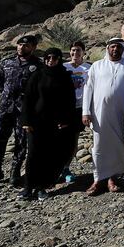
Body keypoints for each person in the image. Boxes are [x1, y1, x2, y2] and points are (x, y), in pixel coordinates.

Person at [0, 35, 41, 187]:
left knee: (21, 141)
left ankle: (15, 172)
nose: (21, 47)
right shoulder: (6, 62)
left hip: (24, 111)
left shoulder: (38, 66)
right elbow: (0, 83)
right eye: (19, 45)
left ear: (33, 47)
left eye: (26, 46)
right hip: (5, 108)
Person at [82, 38, 124, 196]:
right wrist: (85, 112)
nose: (115, 49)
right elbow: (88, 89)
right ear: (107, 48)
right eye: (112, 46)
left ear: (123, 49)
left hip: (122, 114)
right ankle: (97, 179)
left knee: (119, 147)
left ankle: (112, 179)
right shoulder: (96, 66)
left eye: (119, 47)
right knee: (99, 147)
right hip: (99, 114)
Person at [19, 48, 76, 201]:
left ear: (59, 59)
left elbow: (69, 101)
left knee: (49, 155)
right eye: (48, 57)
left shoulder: (64, 77)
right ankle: (28, 187)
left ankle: (42, 187)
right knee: (32, 155)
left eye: (55, 58)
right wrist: (26, 121)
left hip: (55, 124)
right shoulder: (37, 75)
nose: (51, 60)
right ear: (44, 59)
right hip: (36, 123)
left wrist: (65, 120)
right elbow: (28, 99)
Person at [61, 41, 90, 183]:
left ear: (83, 52)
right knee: (60, 138)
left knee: (73, 139)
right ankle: (56, 168)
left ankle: (66, 168)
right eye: (73, 50)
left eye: (78, 50)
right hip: (64, 108)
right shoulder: (63, 67)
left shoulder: (89, 68)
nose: (75, 53)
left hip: (80, 108)